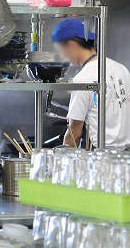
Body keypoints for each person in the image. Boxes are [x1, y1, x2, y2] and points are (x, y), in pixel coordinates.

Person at [52, 18, 130, 149]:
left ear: (72, 45)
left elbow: (74, 133)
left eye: (61, 50)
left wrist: (63, 159)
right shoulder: (121, 69)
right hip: (125, 157)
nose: (62, 55)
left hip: (99, 158)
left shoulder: (82, 80)